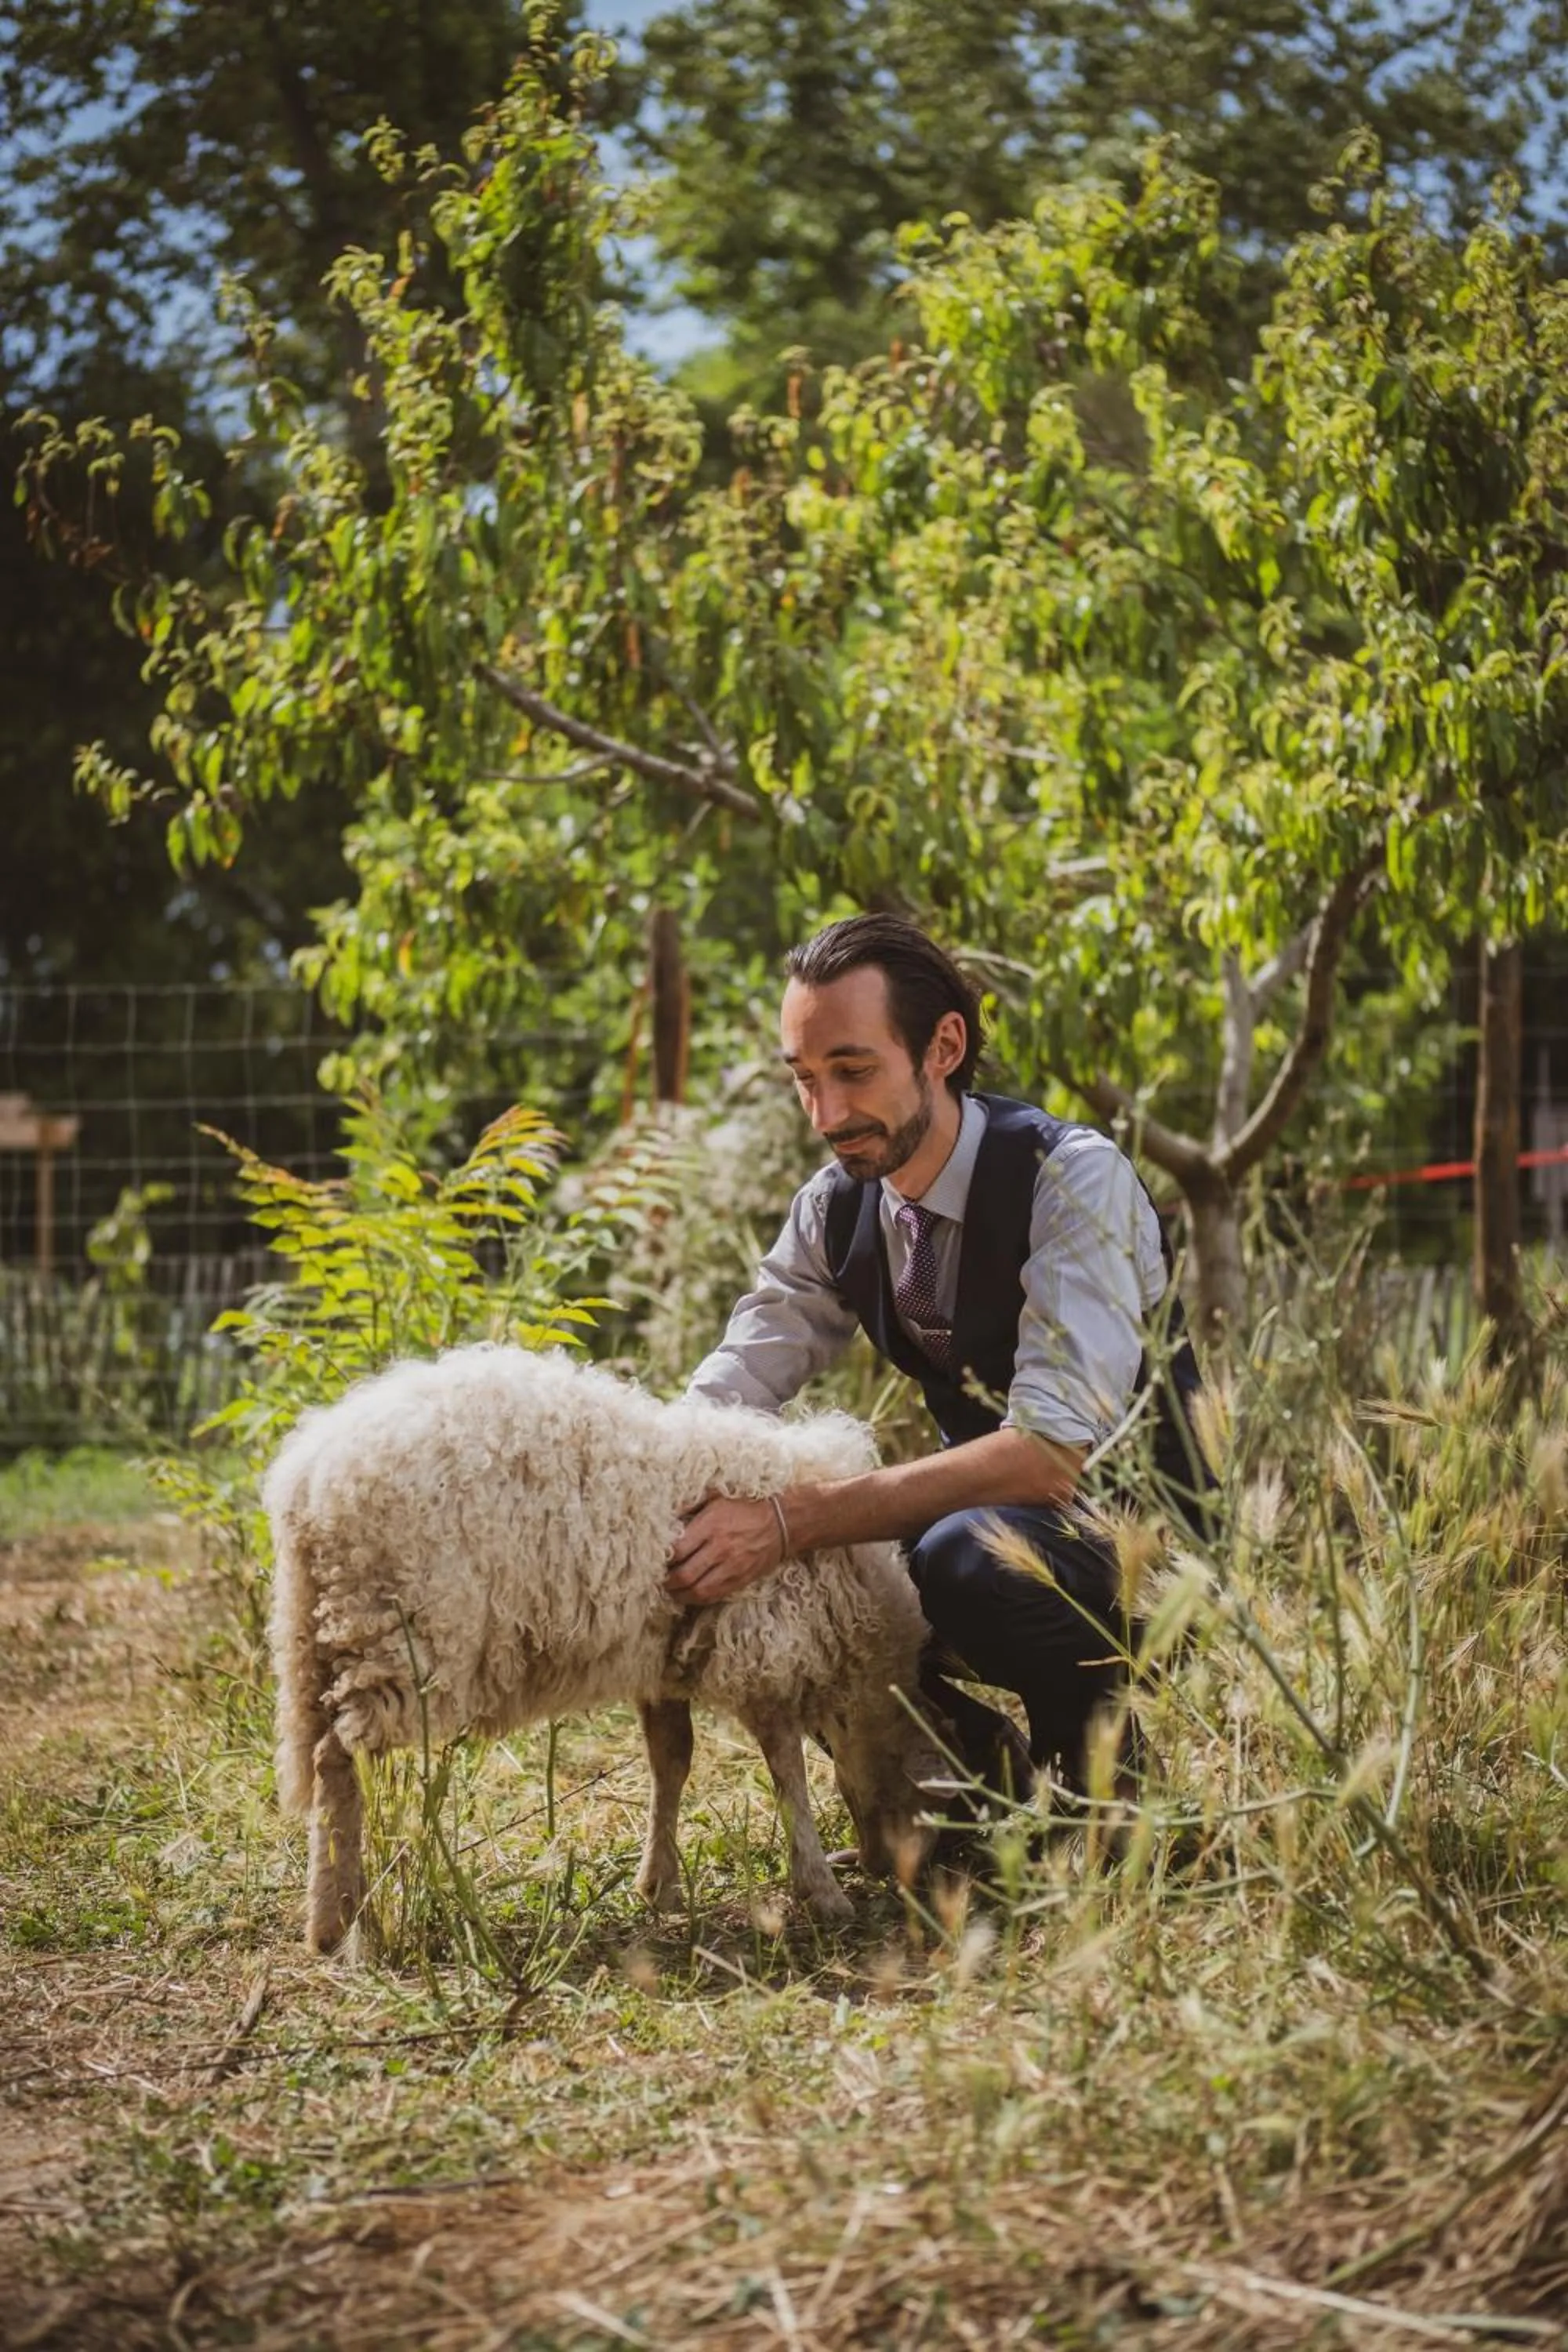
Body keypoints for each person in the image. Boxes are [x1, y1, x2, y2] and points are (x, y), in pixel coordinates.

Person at [666, 913, 1212, 1799]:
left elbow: (1044, 1457)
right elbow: (731, 1383)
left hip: (1151, 1547)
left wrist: (785, 1521)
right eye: (804, 1080)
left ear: (943, 1046)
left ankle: (1101, 1779)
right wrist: (647, 1502)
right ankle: (967, 1773)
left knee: (961, 1557)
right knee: (796, 1589)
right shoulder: (834, 1208)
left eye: (853, 1070)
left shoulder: (1070, 1178)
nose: (827, 1115)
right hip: (1006, 1522)